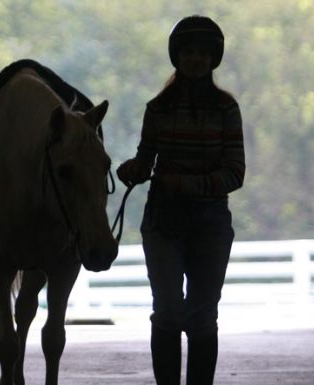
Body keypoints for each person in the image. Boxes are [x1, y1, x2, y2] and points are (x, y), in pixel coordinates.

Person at [116, 15, 245, 385]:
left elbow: (235, 172)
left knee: (202, 314)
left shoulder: (226, 110)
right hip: (166, 221)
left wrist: (183, 183)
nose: (195, 59)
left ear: (213, 58)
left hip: (207, 224)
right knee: (170, 312)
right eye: (189, 51)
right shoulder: (156, 110)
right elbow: (146, 159)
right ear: (177, 56)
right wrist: (132, 169)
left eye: (203, 53)